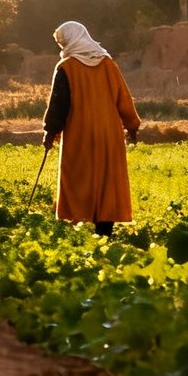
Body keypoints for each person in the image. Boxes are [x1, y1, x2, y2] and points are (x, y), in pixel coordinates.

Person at [41, 20, 141, 237]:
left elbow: (59, 104)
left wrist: (50, 132)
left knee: (78, 178)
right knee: (106, 180)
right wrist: (132, 126)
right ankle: (104, 231)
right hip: (109, 133)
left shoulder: (66, 68)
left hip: (80, 132)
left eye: (62, 43)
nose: (62, 48)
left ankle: (77, 225)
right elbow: (123, 98)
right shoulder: (108, 64)